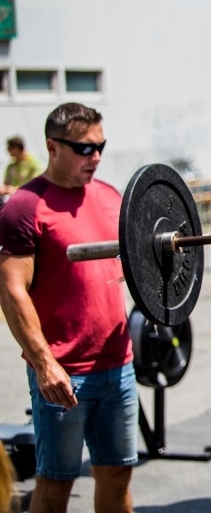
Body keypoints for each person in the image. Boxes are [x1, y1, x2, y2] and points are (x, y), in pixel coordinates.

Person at [0, 103, 137, 513]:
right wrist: (45, 365)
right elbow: (11, 291)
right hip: (64, 375)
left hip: (118, 365)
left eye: (101, 146)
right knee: (56, 485)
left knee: (117, 475)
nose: (95, 157)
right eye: (83, 148)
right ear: (52, 147)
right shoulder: (25, 207)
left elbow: (142, 268)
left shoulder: (112, 198)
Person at [1, 136, 41, 203]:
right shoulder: (11, 165)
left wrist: (12, 190)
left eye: (9, 148)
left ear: (16, 148)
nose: (7, 151)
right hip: (13, 201)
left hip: (29, 201)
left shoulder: (34, 163)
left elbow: (35, 187)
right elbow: (6, 184)